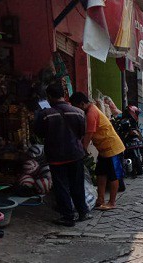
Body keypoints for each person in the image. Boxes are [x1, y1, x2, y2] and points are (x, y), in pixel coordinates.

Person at [34, 82, 89, 226]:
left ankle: (68, 216)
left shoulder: (45, 114)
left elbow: (39, 133)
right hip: (76, 154)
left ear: (50, 97)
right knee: (77, 184)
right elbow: (81, 132)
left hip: (56, 156)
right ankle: (82, 211)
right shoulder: (79, 112)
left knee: (61, 186)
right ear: (64, 95)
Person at [70, 92, 126, 211]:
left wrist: (83, 149)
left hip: (112, 148)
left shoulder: (91, 113)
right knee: (101, 174)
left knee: (113, 176)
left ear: (82, 104)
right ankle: (100, 199)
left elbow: (89, 133)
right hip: (103, 149)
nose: (76, 109)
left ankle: (112, 202)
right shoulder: (91, 110)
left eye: (76, 106)